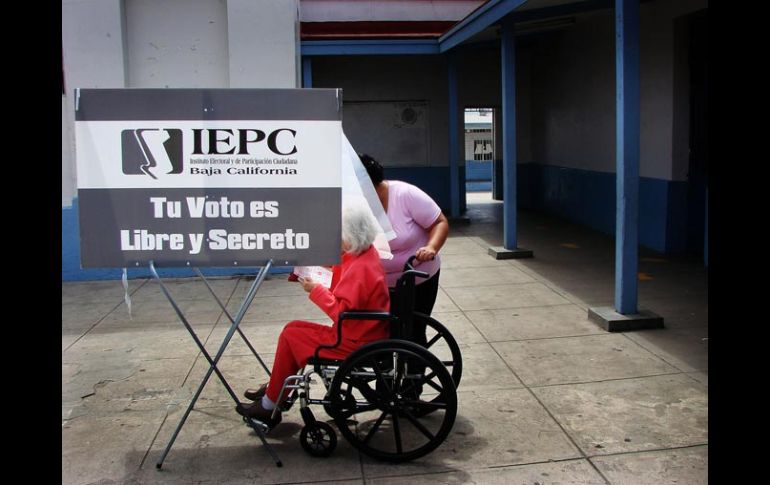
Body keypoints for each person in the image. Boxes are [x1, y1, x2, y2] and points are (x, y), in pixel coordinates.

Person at [236, 203, 390, 426]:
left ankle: (270, 404)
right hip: (360, 332)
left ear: (351, 236)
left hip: (355, 339)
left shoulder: (360, 269)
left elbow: (340, 312)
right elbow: (341, 268)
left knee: (291, 335)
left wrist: (316, 290)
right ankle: (275, 391)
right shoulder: (365, 253)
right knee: (292, 330)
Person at [359, 153, 449, 321]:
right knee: (384, 334)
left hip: (417, 277)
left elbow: (439, 222)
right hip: (377, 283)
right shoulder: (355, 204)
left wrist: (431, 248)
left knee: (413, 333)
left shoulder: (405, 194)